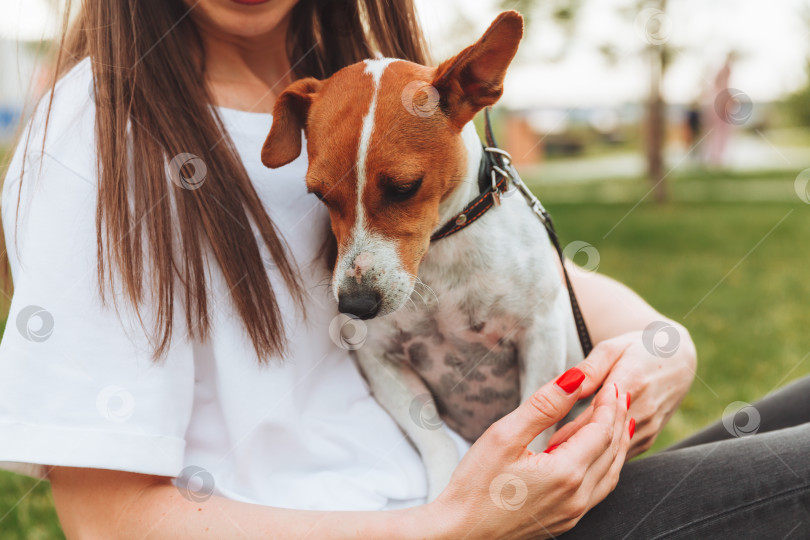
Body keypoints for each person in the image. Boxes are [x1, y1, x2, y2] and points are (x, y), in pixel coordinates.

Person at [0, 1, 806, 538]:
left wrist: (665, 351)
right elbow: (108, 519)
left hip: (507, 502)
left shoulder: (373, 92)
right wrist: (453, 523)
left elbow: (535, 285)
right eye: (334, 202)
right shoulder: (104, 136)